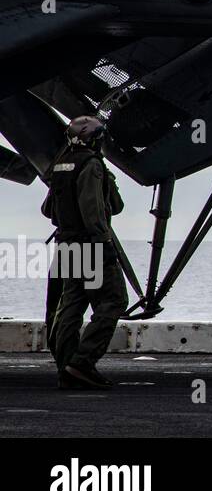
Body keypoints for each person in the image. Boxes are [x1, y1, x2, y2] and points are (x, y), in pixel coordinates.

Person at [43, 116, 127, 390]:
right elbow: (102, 209)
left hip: (66, 245)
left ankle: (66, 368)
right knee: (113, 301)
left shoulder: (61, 164)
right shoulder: (92, 165)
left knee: (72, 305)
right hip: (91, 245)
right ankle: (82, 362)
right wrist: (103, 242)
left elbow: (48, 211)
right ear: (95, 139)